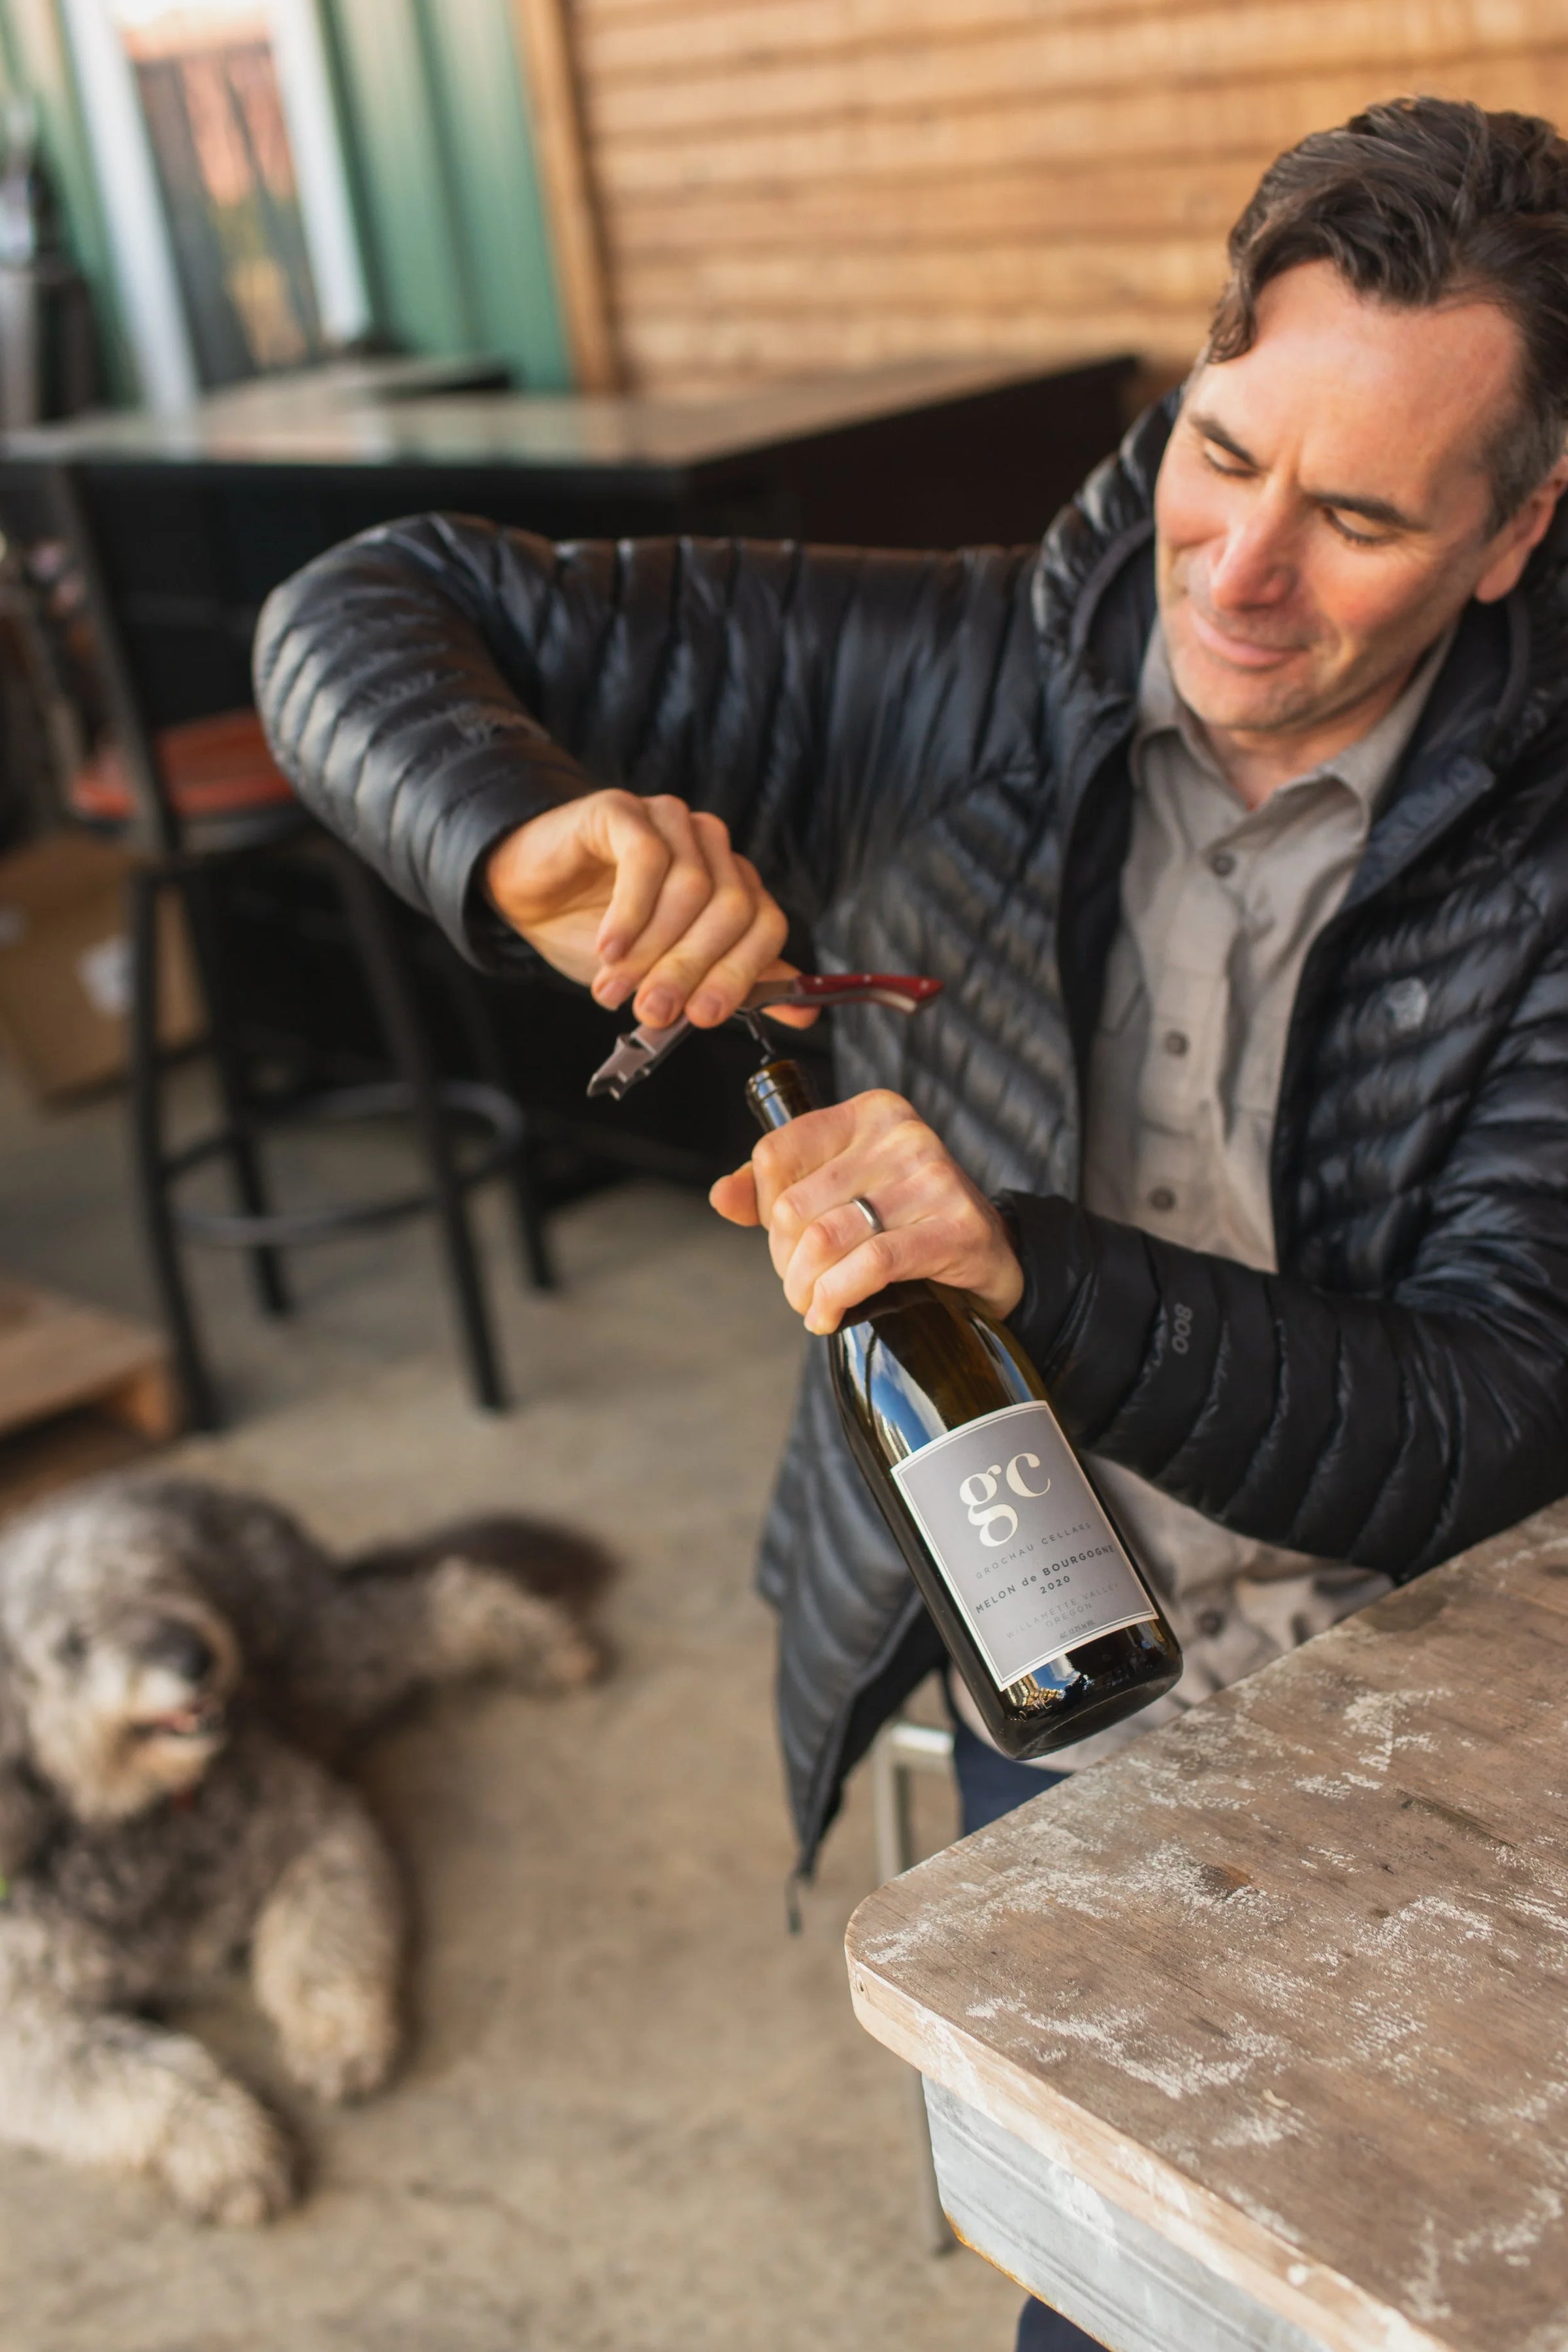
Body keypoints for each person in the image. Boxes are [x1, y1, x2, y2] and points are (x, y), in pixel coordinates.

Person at [254, 99, 1568, 2351]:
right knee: (1110, 2284)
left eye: (1358, 517)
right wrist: (522, 837)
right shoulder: (951, 662)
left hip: (1428, 1704)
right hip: (1025, 1648)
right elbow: (356, 605)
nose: (1243, 571)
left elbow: (1494, 1427)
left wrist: (1029, 1272)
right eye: (1225, 454)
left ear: (1520, 526)